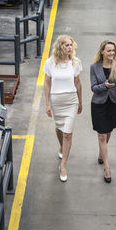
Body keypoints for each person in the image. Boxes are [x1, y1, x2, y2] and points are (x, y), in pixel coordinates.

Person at [44, 35, 83, 182]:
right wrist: (47, 103)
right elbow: (47, 83)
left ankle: (63, 165)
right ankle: (62, 147)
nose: (70, 48)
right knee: (59, 128)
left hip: (71, 100)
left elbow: (78, 83)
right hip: (56, 100)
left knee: (68, 133)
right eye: (67, 45)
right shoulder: (50, 63)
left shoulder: (76, 62)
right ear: (60, 46)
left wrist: (80, 102)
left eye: (71, 45)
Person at [90, 40, 116, 183]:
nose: (111, 53)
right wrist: (104, 86)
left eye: (113, 50)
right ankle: (107, 167)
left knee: (108, 131)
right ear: (102, 52)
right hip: (98, 104)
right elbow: (93, 87)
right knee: (101, 136)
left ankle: (101, 153)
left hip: (113, 103)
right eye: (109, 50)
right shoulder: (94, 67)